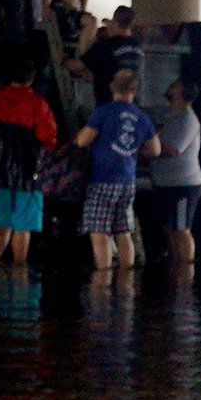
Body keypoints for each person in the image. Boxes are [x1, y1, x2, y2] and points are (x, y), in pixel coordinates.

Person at [0, 74, 56, 268]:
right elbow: (48, 137)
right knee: (22, 228)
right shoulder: (38, 104)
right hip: (29, 174)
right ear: (30, 79)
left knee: (2, 224)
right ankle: (19, 273)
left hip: (1, 174)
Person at [72, 65, 155, 272]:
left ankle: (103, 278)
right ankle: (127, 278)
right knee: (123, 231)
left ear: (111, 87)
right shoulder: (142, 117)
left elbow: (83, 141)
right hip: (127, 181)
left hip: (102, 179)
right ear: (134, 90)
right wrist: (134, 149)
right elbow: (155, 150)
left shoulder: (103, 112)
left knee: (99, 232)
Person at [141, 73, 201, 267]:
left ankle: (185, 269)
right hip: (165, 183)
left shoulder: (187, 119)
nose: (170, 86)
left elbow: (172, 149)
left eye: (174, 85)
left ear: (180, 92)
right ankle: (175, 262)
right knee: (169, 227)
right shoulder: (166, 113)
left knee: (181, 228)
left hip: (182, 185)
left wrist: (142, 151)